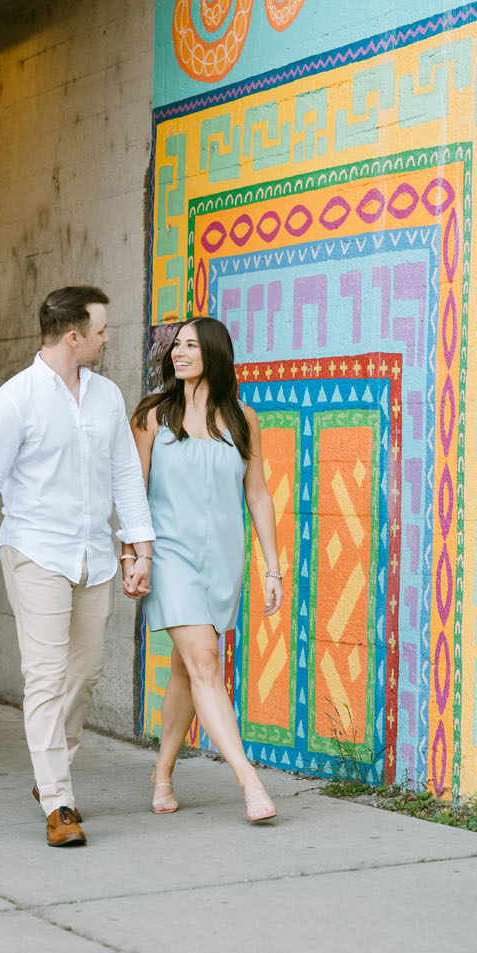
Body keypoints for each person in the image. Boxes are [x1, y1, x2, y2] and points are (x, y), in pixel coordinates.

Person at [0, 285, 154, 848]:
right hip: (36, 552)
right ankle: (60, 801)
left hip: (93, 557)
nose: (108, 337)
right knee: (43, 676)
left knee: (85, 672)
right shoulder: (13, 402)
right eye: (102, 329)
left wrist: (141, 549)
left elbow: (124, 478)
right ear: (74, 337)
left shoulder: (107, 397)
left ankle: (49, 775)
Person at [132, 317, 285, 823]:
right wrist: (133, 555)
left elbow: (257, 493)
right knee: (205, 662)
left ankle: (162, 772)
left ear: (214, 353)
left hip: (222, 558)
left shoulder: (242, 418)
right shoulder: (154, 415)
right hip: (170, 554)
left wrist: (273, 567)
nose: (179, 353)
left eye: (191, 346)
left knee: (186, 668)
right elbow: (133, 494)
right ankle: (250, 781)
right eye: (176, 346)